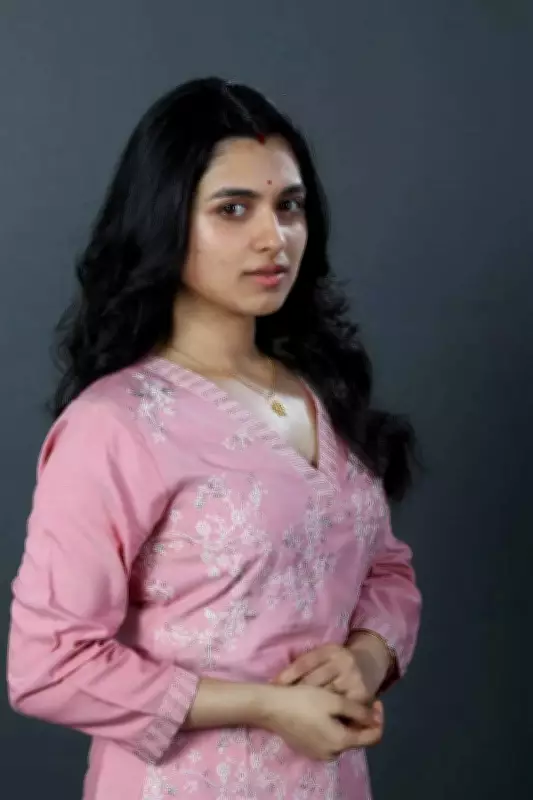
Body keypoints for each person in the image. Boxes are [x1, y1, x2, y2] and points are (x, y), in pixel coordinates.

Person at [7, 77, 422, 800]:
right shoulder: (117, 424)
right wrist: (264, 706)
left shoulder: (320, 394)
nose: (274, 238)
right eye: (233, 209)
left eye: (289, 206)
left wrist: (365, 657)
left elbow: (385, 568)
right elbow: (47, 666)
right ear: (165, 221)